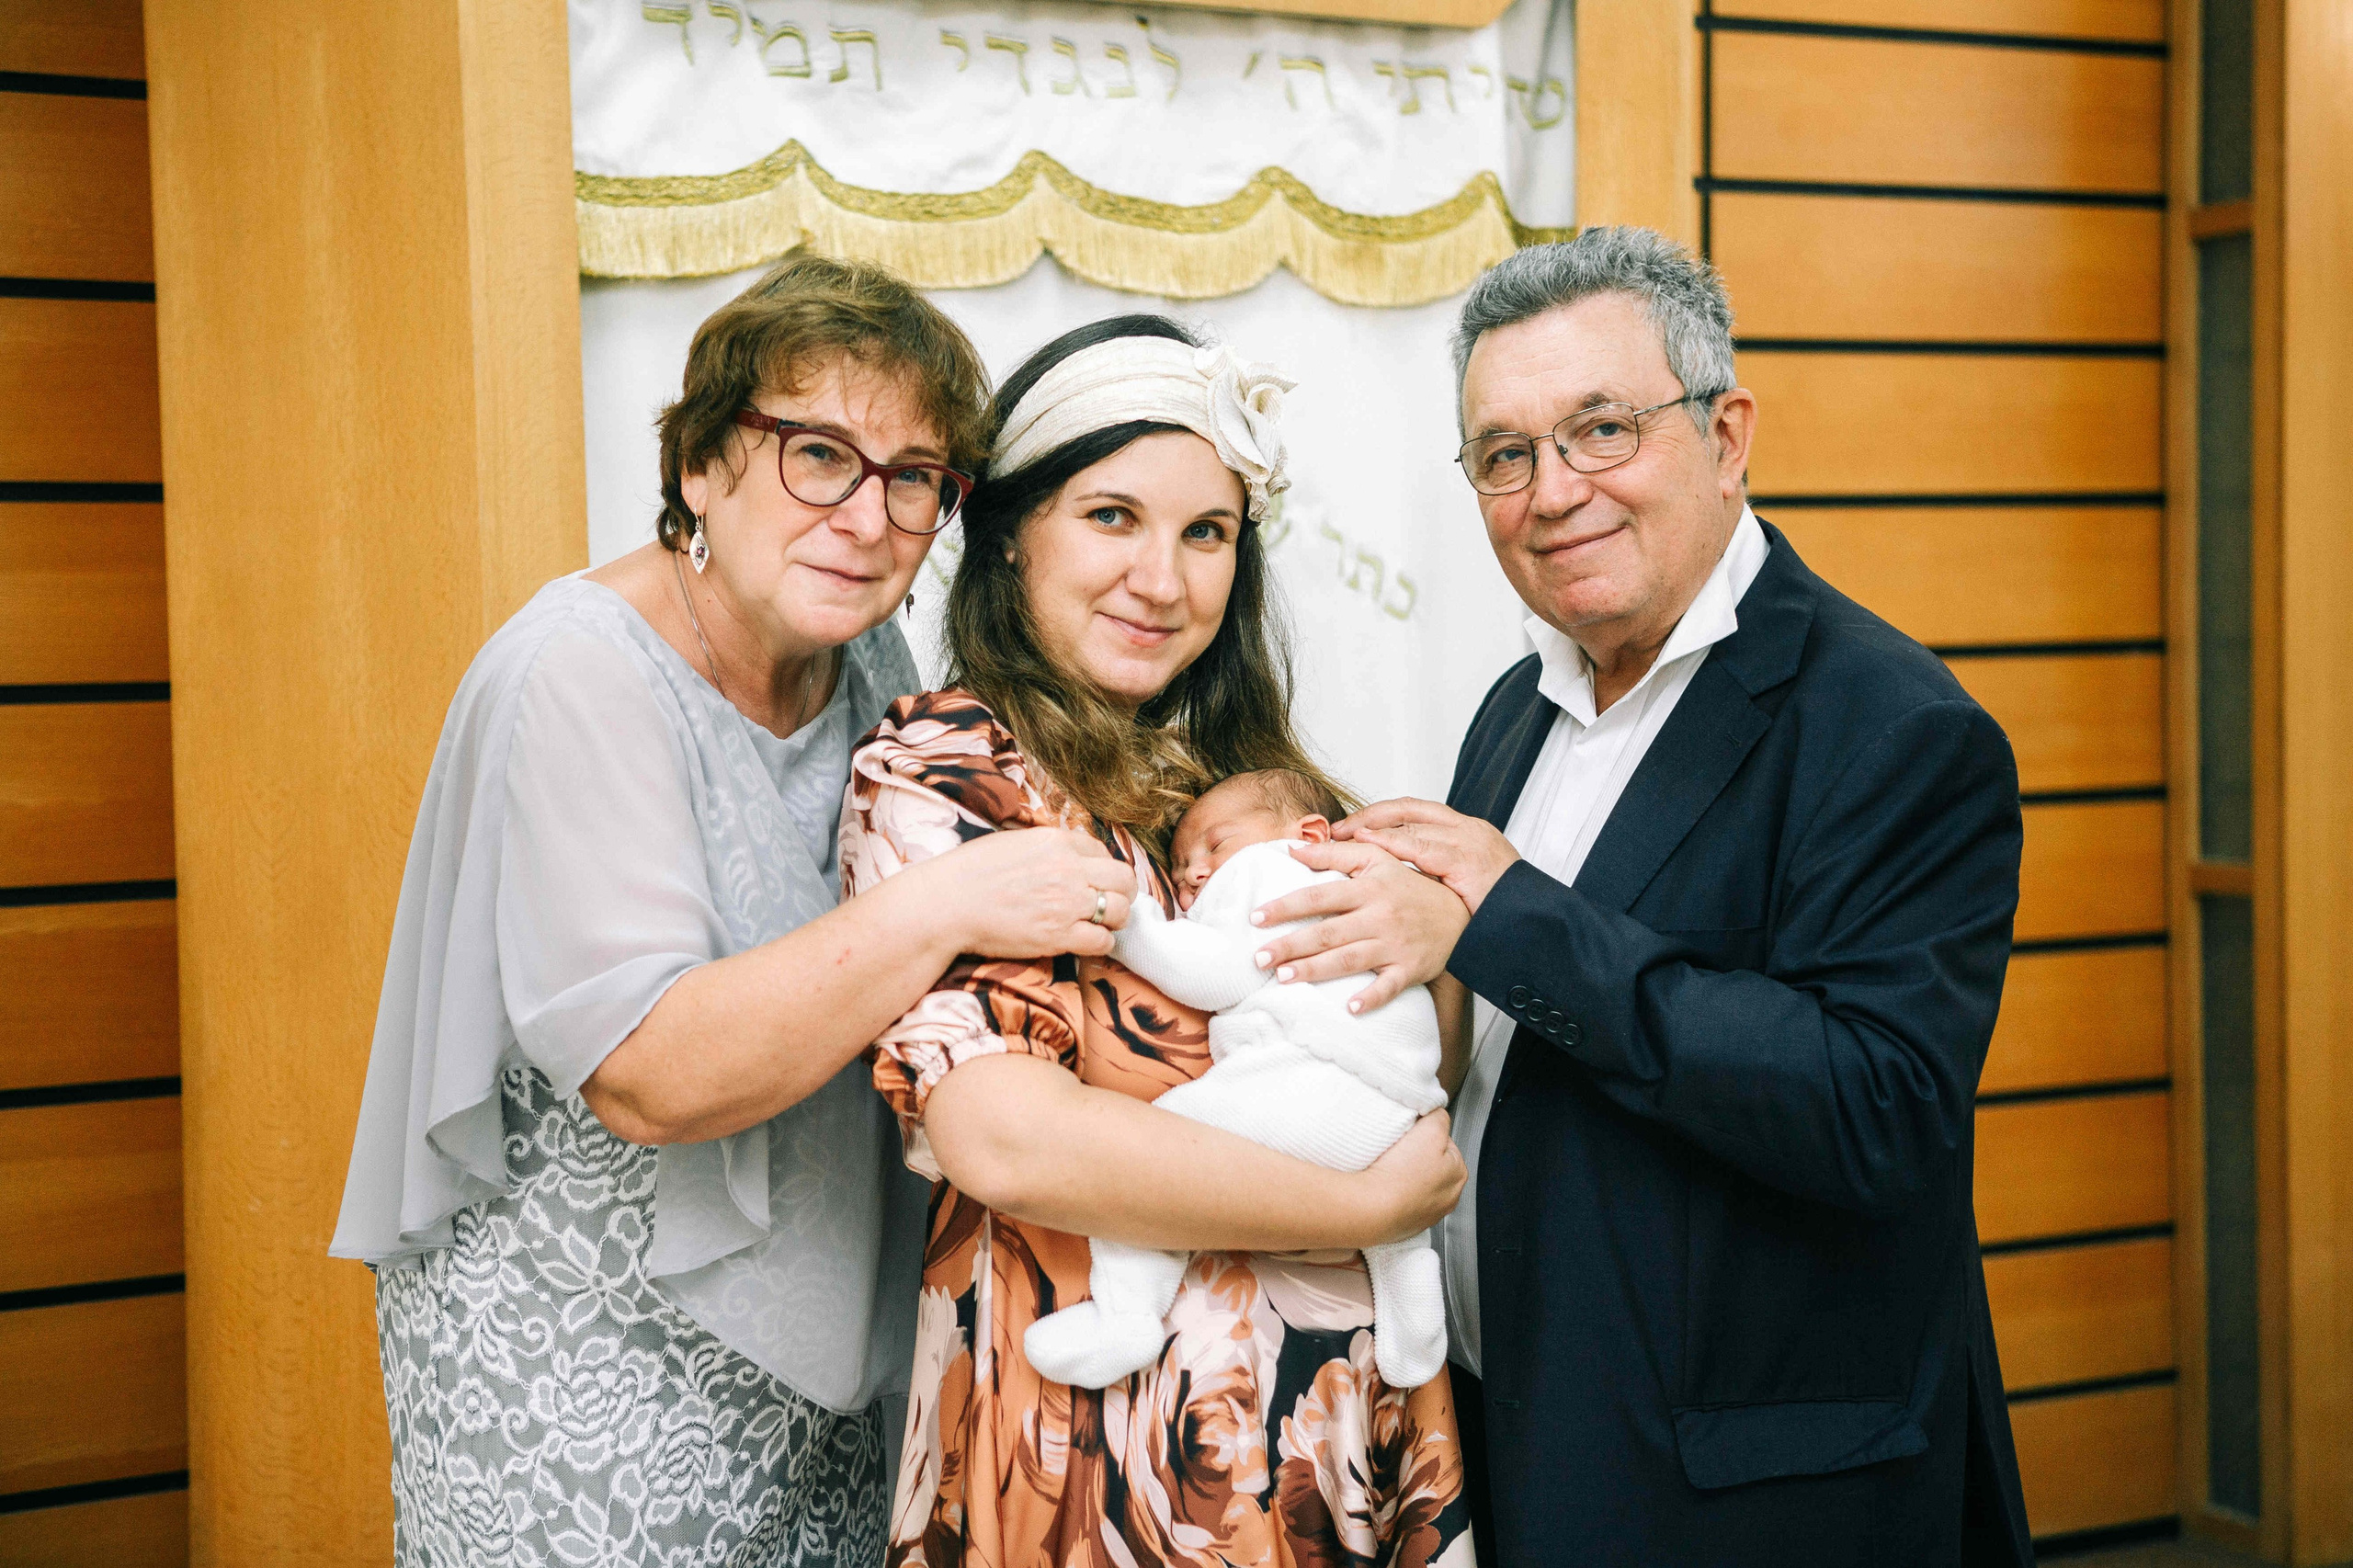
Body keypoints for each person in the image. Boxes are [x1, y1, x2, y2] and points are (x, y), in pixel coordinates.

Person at [330, 256, 1142, 1567]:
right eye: (818, 454)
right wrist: (950, 901)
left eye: (915, 477)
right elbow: (650, 1073)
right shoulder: (576, 673)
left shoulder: (858, 650)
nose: (868, 517)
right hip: (583, 1376)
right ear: (702, 464)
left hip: (816, 1351)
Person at [1248, 228, 2038, 1566]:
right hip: (1512, 1433)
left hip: (1744, 1494)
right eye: (1505, 455)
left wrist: (1507, 920)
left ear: (1727, 436)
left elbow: (1879, 1108)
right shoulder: (1519, 706)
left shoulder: (1894, 726)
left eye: (1601, 430)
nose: (1553, 491)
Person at [838, 316, 1475, 1566]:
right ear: (1013, 528)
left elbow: (1410, 1060)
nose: (1164, 579)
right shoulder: (953, 770)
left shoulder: (1254, 784)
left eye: (1207, 533)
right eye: (1112, 517)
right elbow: (1002, 1132)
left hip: (1327, 1426)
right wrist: (1361, 1201)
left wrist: (1439, 937)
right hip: (1095, 1443)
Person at [1024, 767, 1450, 1392]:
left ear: (1308, 832)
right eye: (1180, 864)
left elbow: (1221, 974)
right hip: (1398, 1112)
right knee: (1395, 1235)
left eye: (1214, 846)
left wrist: (1130, 926)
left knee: (1150, 1155)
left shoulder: (1279, 872)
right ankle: (1414, 1327)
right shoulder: (1367, 893)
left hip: (1316, 1080)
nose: (1195, 872)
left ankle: (1126, 1315)